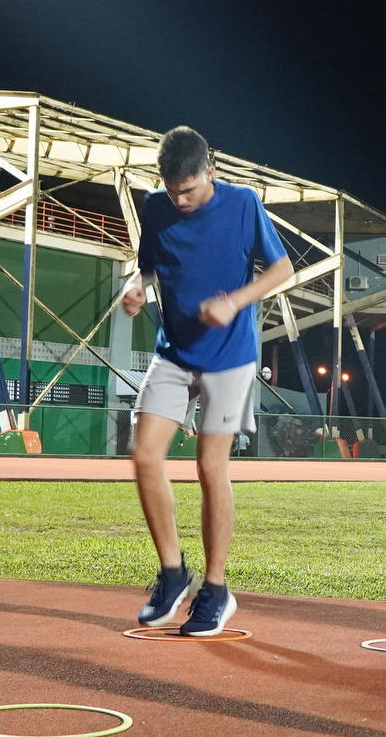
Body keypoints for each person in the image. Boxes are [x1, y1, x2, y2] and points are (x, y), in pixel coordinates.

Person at [121, 126, 294, 636]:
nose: (180, 200)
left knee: (208, 465)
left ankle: (216, 590)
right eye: (172, 190)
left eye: (189, 190)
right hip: (174, 353)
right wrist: (136, 287)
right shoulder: (155, 208)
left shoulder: (243, 204)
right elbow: (148, 268)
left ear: (210, 174)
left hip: (230, 356)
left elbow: (281, 268)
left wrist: (234, 302)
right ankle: (173, 574)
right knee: (145, 455)